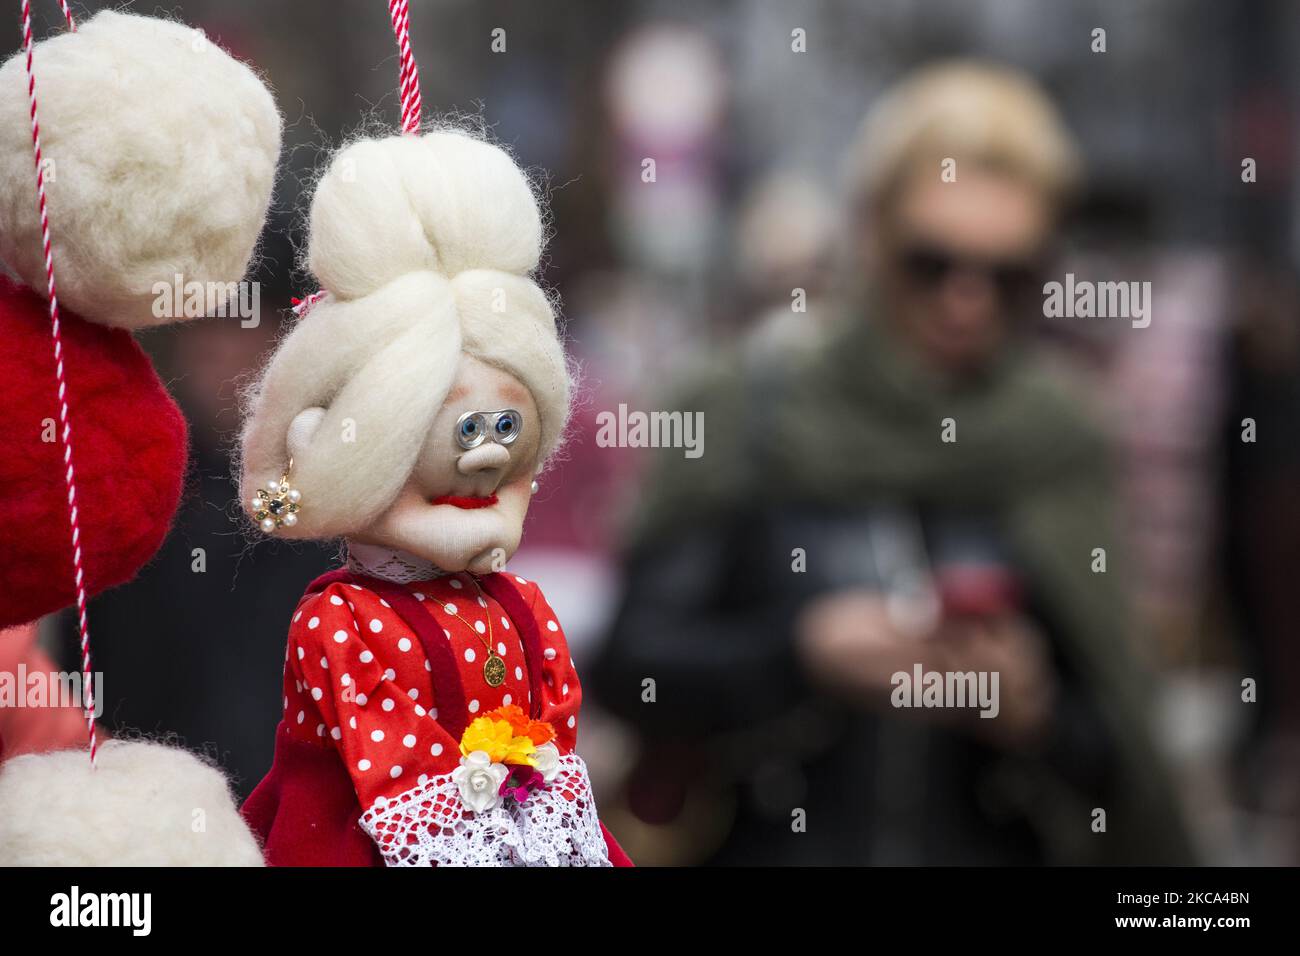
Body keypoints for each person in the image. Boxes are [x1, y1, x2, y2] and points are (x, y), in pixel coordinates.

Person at [591, 61, 1196, 865]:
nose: (967, 301)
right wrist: (802, 654)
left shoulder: (1061, 437)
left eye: (1007, 277)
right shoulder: (744, 402)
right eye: (932, 263)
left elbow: (1127, 759)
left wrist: (1033, 713)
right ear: (872, 235)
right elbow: (629, 671)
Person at [238, 129, 629, 866]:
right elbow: (393, 762)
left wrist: (533, 793)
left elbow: (554, 727)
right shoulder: (342, 621)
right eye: (445, 432)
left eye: (507, 427)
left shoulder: (523, 605)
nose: (484, 459)